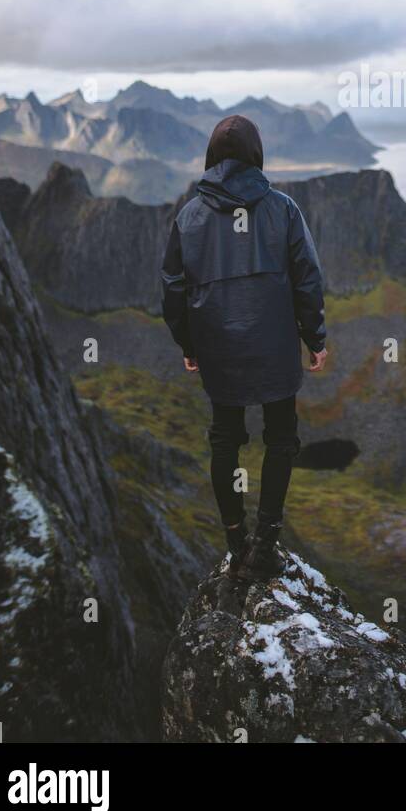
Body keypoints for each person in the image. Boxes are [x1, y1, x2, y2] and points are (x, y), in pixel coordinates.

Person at [160, 113, 327, 579]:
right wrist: (314, 337)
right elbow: (307, 278)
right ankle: (265, 544)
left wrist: (188, 344)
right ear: (256, 155)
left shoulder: (189, 217)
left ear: (212, 156)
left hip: (219, 349)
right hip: (274, 346)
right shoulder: (283, 209)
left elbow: (173, 287)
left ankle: (237, 542)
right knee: (282, 438)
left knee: (224, 440)